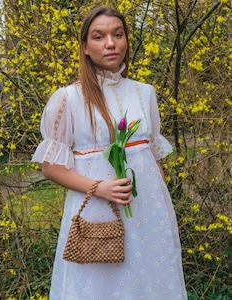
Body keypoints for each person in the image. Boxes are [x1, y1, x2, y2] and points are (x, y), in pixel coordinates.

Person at [32, 6, 188, 299]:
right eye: (99, 36)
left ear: (126, 41)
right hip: (97, 209)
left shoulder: (145, 93)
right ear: (85, 47)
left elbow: (151, 156)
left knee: (151, 280)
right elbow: (51, 167)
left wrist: (158, 203)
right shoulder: (69, 99)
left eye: (117, 35)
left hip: (146, 211)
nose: (110, 43)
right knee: (99, 286)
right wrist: (99, 187)